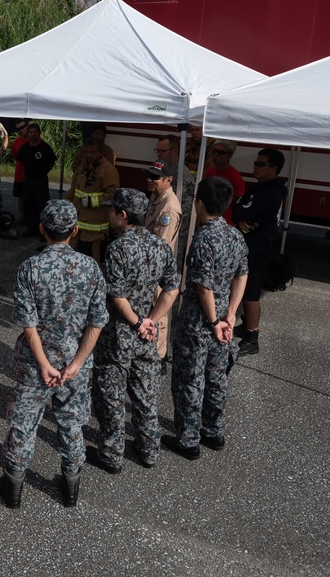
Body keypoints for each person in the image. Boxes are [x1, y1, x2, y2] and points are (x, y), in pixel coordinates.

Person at [0, 200, 108, 509]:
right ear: (75, 230)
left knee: (24, 422)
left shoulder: (30, 268)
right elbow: (97, 322)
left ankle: (14, 485)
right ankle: (71, 485)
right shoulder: (91, 268)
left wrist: (45, 364)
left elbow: (28, 323)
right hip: (75, 362)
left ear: (42, 229)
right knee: (71, 423)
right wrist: (75, 364)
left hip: (36, 364)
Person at [88, 188, 180, 472]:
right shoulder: (160, 246)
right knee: (145, 395)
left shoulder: (118, 248)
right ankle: (148, 450)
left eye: (112, 209)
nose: (109, 213)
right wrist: (150, 320)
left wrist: (137, 322)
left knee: (112, 397)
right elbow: (172, 288)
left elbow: (116, 295)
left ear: (123, 215)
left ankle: (112, 455)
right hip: (146, 336)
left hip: (118, 335)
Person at [162, 177, 248, 461]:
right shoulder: (235, 235)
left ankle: (188, 440)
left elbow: (203, 286)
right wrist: (231, 314)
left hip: (200, 323)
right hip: (224, 322)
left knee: (189, 379)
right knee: (216, 377)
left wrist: (213, 321)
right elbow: (242, 275)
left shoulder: (203, 238)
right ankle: (213, 431)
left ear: (199, 203)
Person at [233, 148, 287, 356]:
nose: (255, 167)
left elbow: (246, 210)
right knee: (242, 289)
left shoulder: (272, 191)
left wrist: (243, 214)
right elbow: (238, 209)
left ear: (273, 168)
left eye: (260, 164)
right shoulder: (260, 187)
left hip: (258, 248)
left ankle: (252, 337)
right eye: (255, 163)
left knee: (251, 294)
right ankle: (246, 326)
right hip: (249, 245)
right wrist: (241, 215)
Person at [143, 160, 183, 363]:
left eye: (155, 177)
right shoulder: (156, 197)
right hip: (149, 267)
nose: (150, 180)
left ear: (169, 180)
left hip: (157, 270)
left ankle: (158, 356)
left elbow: (160, 246)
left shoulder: (168, 207)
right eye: (149, 176)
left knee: (158, 312)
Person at [65, 138, 119, 262]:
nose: (88, 155)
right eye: (86, 152)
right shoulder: (82, 168)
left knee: (91, 261)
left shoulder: (109, 170)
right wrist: (66, 204)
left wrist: (90, 202)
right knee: (73, 256)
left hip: (95, 228)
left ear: (100, 153)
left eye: (92, 152)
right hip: (77, 223)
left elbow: (112, 195)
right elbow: (73, 189)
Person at [155, 134, 196, 268]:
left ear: (174, 151)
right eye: (157, 150)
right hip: (159, 230)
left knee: (171, 269)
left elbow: (186, 212)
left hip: (174, 234)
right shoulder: (164, 169)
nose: (158, 154)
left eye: (162, 151)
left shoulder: (183, 177)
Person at [15, 123, 57, 239]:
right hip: (28, 180)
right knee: (29, 205)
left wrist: (44, 172)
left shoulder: (45, 147)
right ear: (27, 134)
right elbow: (21, 162)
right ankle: (31, 228)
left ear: (39, 133)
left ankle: (43, 231)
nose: (33, 134)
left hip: (41, 180)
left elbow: (52, 162)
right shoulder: (24, 148)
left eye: (35, 132)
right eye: (31, 132)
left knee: (42, 206)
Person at [204, 139, 245, 226]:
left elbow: (235, 200)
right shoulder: (210, 172)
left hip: (224, 221)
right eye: (214, 151)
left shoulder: (235, 177)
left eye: (220, 153)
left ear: (229, 155)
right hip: (207, 218)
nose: (215, 155)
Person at [9, 119, 30, 226]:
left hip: (32, 175)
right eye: (18, 129)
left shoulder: (37, 139)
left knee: (32, 197)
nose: (21, 130)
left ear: (28, 126)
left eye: (23, 127)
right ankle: (22, 217)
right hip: (20, 174)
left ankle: (32, 217)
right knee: (21, 197)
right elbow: (13, 155)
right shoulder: (16, 142)